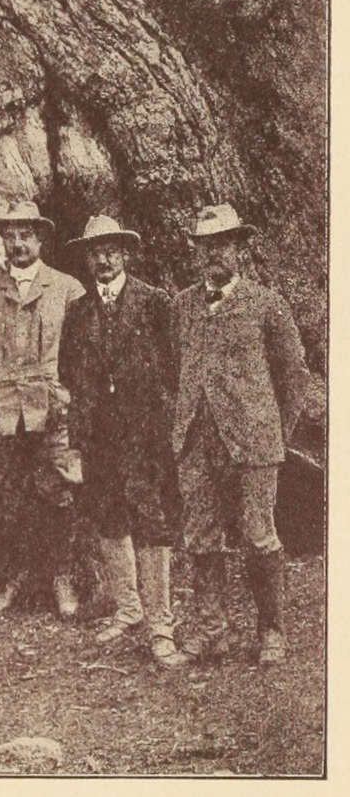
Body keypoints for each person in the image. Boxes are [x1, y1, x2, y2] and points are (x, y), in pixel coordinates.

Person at [171, 203, 309, 666]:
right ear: (196, 251)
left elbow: (294, 377)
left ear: (240, 249)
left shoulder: (266, 303)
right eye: (205, 245)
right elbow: (178, 370)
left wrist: (274, 433)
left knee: (258, 533)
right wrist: (187, 422)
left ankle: (271, 630)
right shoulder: (183, 305)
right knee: (201, 536)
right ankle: (213, 630)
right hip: (196, 439)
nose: (214, 253)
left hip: (253, 442)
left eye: (222, 244)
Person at [59, 215, 187, 668]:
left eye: (112, 249)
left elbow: (175, 373)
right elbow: (69, 380)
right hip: (100, 437)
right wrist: (77, 442)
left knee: (152, 523)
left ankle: (160, 624)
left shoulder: (154, 303)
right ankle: (128, 608)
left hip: (146, 435)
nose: (104, 259)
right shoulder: (78, 311)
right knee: (110, 520)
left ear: (126, 254)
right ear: (87, 258)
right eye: (95, 252)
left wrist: (168, 431)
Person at [0, 200, 84, 619]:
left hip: (53, 413)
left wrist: (69, 394)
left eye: (25, 235)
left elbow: (84, 350)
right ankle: (17, 578)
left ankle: (62, 578)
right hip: (4, 414)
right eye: (10, 236)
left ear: (40, 239)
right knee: (11, 496)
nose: (17, 244)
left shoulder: (67, 289)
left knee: (58, 494)